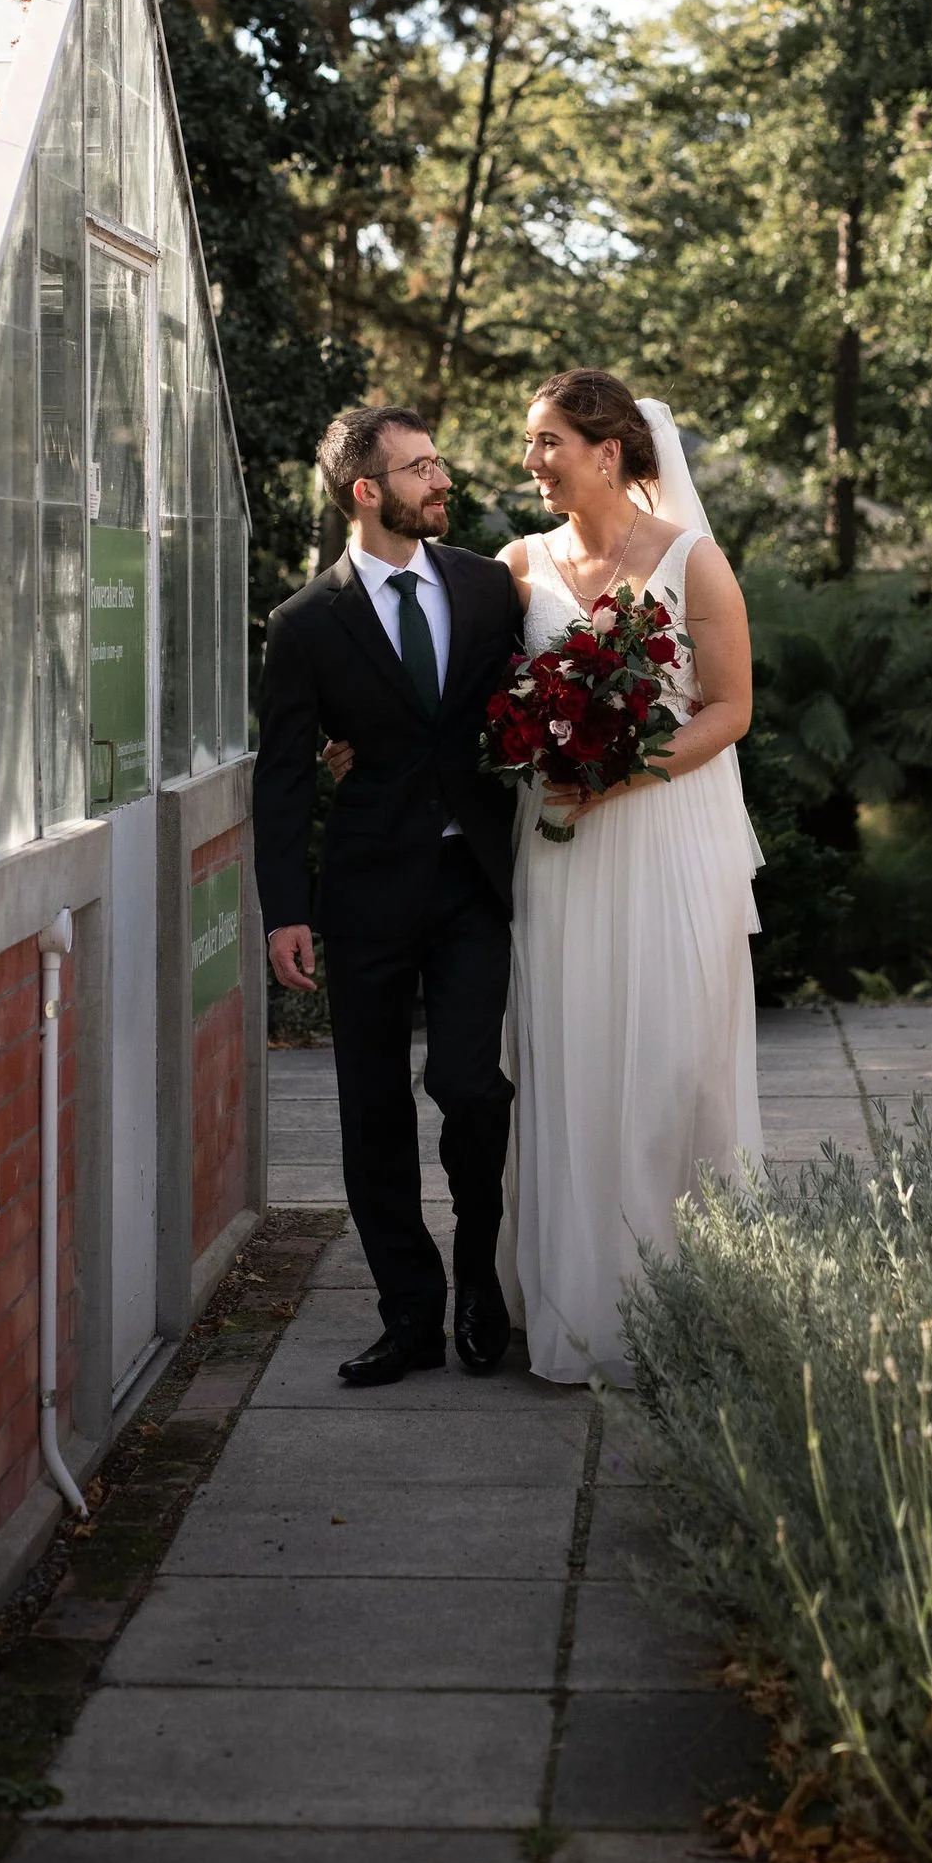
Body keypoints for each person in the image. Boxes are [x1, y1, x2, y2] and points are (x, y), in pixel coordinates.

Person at [498, 370, 763, 1385]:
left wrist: (621, 771)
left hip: (667, 836)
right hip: (561, 844)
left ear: (606, 451)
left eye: (546, 441)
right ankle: (578, 1298)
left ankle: (683, 1298)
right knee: (570, 1049)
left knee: (668, 1056)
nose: (531, 462)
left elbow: (727, 709)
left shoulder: (693, 562)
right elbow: (464, 693)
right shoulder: (518, 568)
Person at [253, 406, 526, 1387]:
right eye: (418, 468)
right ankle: (407, 1313)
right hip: (363, 890)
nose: (439, 478)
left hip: (470, 885)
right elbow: (282, 775)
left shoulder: (489, 589)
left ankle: (479, 1283)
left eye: (437, 460)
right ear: (366, 492)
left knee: (469, 1085)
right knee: (369, 1111)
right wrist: (285, 910)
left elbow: (528, 706)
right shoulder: (304, 624)